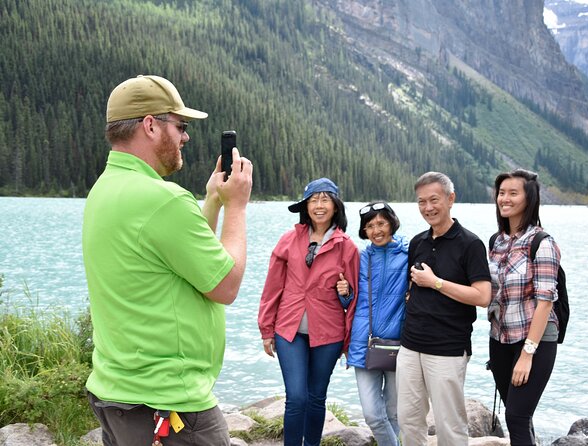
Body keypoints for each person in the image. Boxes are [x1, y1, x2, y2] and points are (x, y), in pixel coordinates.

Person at [82, 75, 253, 446]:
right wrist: (236, 206)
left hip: (119, 394)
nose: (185, 137)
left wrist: (212, 200)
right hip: (170, 406)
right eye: (181, 126)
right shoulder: (163, 200)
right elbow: (226, 284)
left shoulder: (104, 189)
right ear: (149, 125)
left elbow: (187, 260)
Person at [257, 178, 360, 446]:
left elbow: (354, 298)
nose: (319, 205)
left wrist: (345, 292)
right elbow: (272, 287)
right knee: (296, 397)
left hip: (329, 332)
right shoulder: (289, 239)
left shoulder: (346, 246)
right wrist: (266, 329)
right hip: (289, 331)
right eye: (314, 199)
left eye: (325, 199)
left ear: (336, 206)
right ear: (306, 206)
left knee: (316, 397)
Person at [397, 171, 492, 446]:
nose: (428, 207)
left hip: (448, 348)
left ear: (451, 199)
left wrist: (436, 283)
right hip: (410, 344)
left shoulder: (470, 243)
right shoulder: (418, 242)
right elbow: (410, 289)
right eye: (421, 201)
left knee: (449, 425)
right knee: (409, 419)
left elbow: (483, 296)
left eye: (434, 199)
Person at [487, 169, 560, 445]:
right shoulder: (497, 241)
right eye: (501, 193)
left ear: (529, 199)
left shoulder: (542, 243)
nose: (504, 198)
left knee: (516, 417)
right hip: (500, 339)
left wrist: (527, 354)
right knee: (518, 415)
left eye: (512, 193)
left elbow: (545, 302)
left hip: (535, 341)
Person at [336, 202, 408, 446]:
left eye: (381, 223)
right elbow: (350, 300)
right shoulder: (359, 258)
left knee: (395, 413)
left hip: (400, 344)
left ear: (391, 223)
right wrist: (343, 293)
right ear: (364, 231)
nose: (376, 230)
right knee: (372, 415)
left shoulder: (409, 253)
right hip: (363, 343)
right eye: (369, 226)